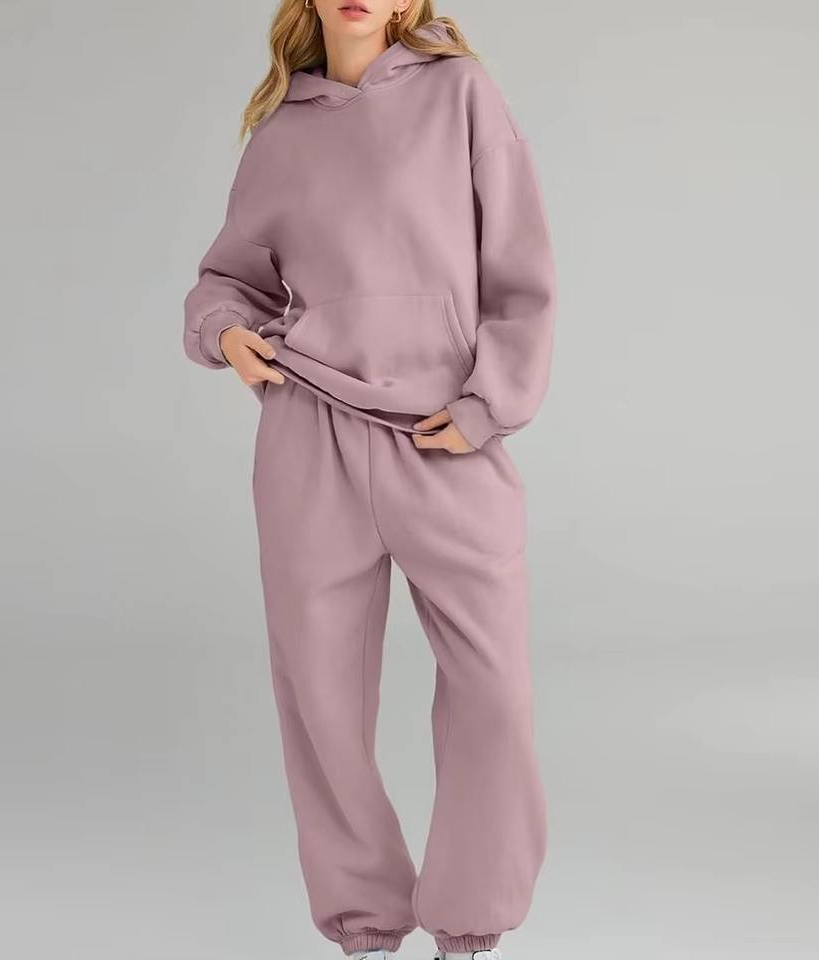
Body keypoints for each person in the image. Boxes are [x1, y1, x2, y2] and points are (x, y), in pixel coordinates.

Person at [182, 2, 557, 958]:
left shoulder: (461, 94)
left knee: (493, 691)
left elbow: (520, 272)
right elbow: (228, 278)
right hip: (309, 434)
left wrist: (486, 406)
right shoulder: (281, 130)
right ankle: (363, 927)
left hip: (443, 437)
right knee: (320, 699)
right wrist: (227, 333)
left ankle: (468, 925)